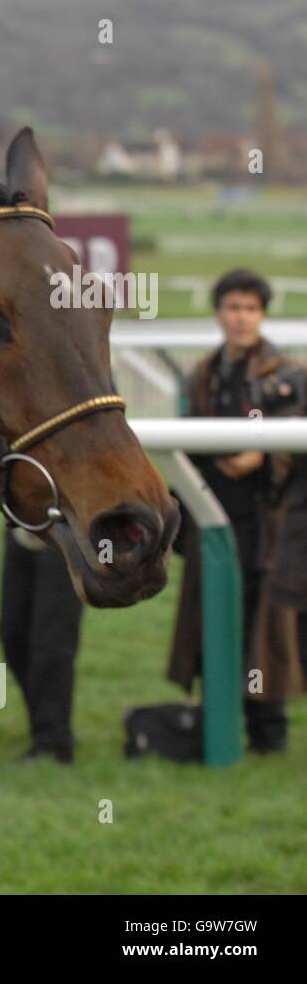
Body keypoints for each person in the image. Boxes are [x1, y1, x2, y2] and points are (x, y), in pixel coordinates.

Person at [169, 268, 306, 753]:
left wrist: (265, 453)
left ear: (263, 315)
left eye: (250, 309)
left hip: (267, 523)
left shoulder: (287, 374)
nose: (241, 318)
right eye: (233, 307)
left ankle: (268, 734)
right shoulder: (202, 373)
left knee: (261, 632)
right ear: (218, 313)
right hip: (211, 518)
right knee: (212, 620)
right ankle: (217, 726)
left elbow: (293, 440)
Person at [0, 526, 85, 763]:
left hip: (68, 533)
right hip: (22, 528)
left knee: (51, 642)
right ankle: (47, 723)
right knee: (12, 635)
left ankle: (53, 742)